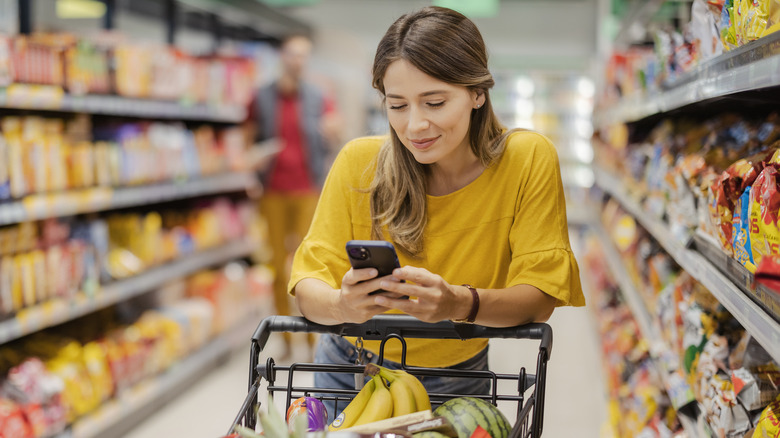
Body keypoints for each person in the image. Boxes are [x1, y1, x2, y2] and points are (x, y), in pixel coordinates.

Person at [288, 6, 585, 416]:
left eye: (434, 102)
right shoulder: (359, 164)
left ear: (477, 92)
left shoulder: (526, 159)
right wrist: (343, 306)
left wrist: (457, 304)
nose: (415, 126)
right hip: (348, 368)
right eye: (398, 106)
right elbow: (308, 285)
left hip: (457, 375)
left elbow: (540, 297)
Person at [252, 33, 341, 358]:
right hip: (272, 190)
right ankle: (287, 337)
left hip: (308, 190)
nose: (297, 61)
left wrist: (333, 132)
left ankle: (312, 337)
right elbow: (248, 136)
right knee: (277, 265)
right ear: (282, 57)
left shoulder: (319, 96)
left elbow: (334, 131)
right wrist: (253, 160)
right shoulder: (262, 96)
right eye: (292, 54)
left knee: (310, 266)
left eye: (304, 55)